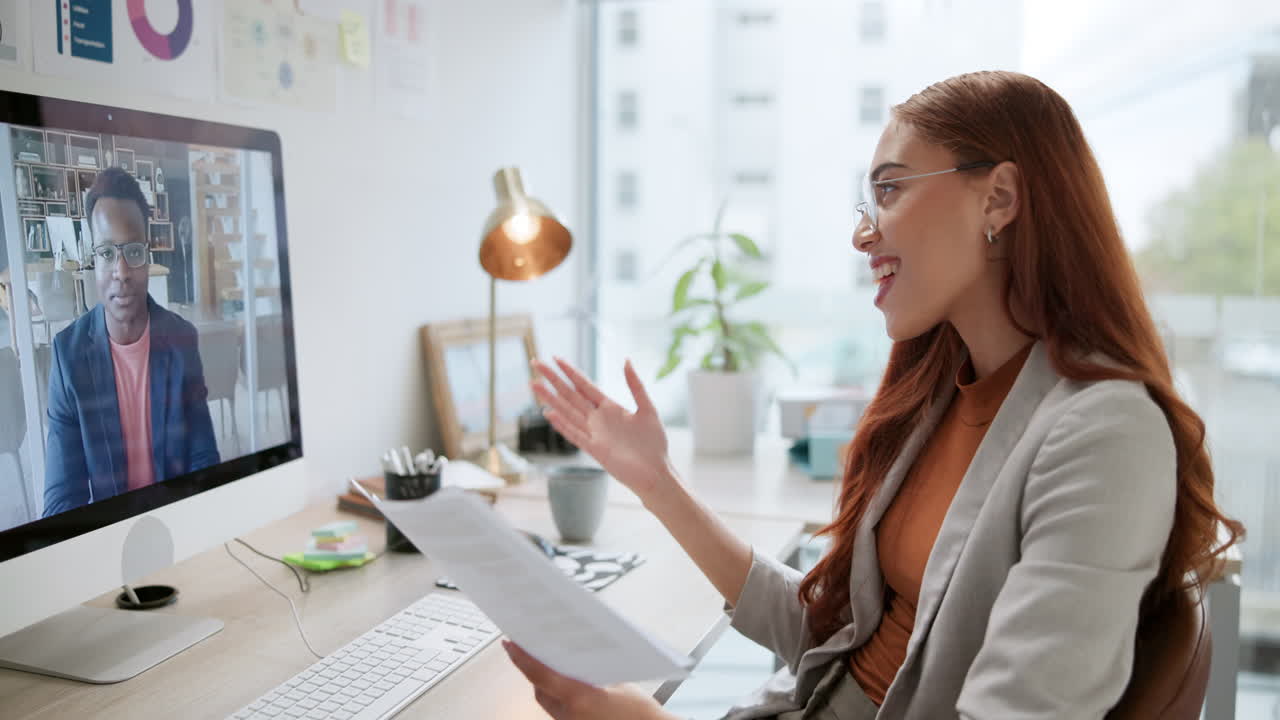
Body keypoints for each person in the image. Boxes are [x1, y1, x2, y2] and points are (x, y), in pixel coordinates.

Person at [501, 71, 1244, 719]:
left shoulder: (1105, 437)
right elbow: (836, 643)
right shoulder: (943, 398)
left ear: (1001, 198)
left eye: (888, 190)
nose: (863, 234)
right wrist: (655, 482)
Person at [43, 168, 219, 517]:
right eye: (107, 252)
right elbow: (62, 499)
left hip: (176, 518)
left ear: (148, 256)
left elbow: (204, 462)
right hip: (111, 533)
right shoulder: (69, 356)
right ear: (93, 260)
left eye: (133, 251)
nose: (121, 271)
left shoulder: (182, 339)